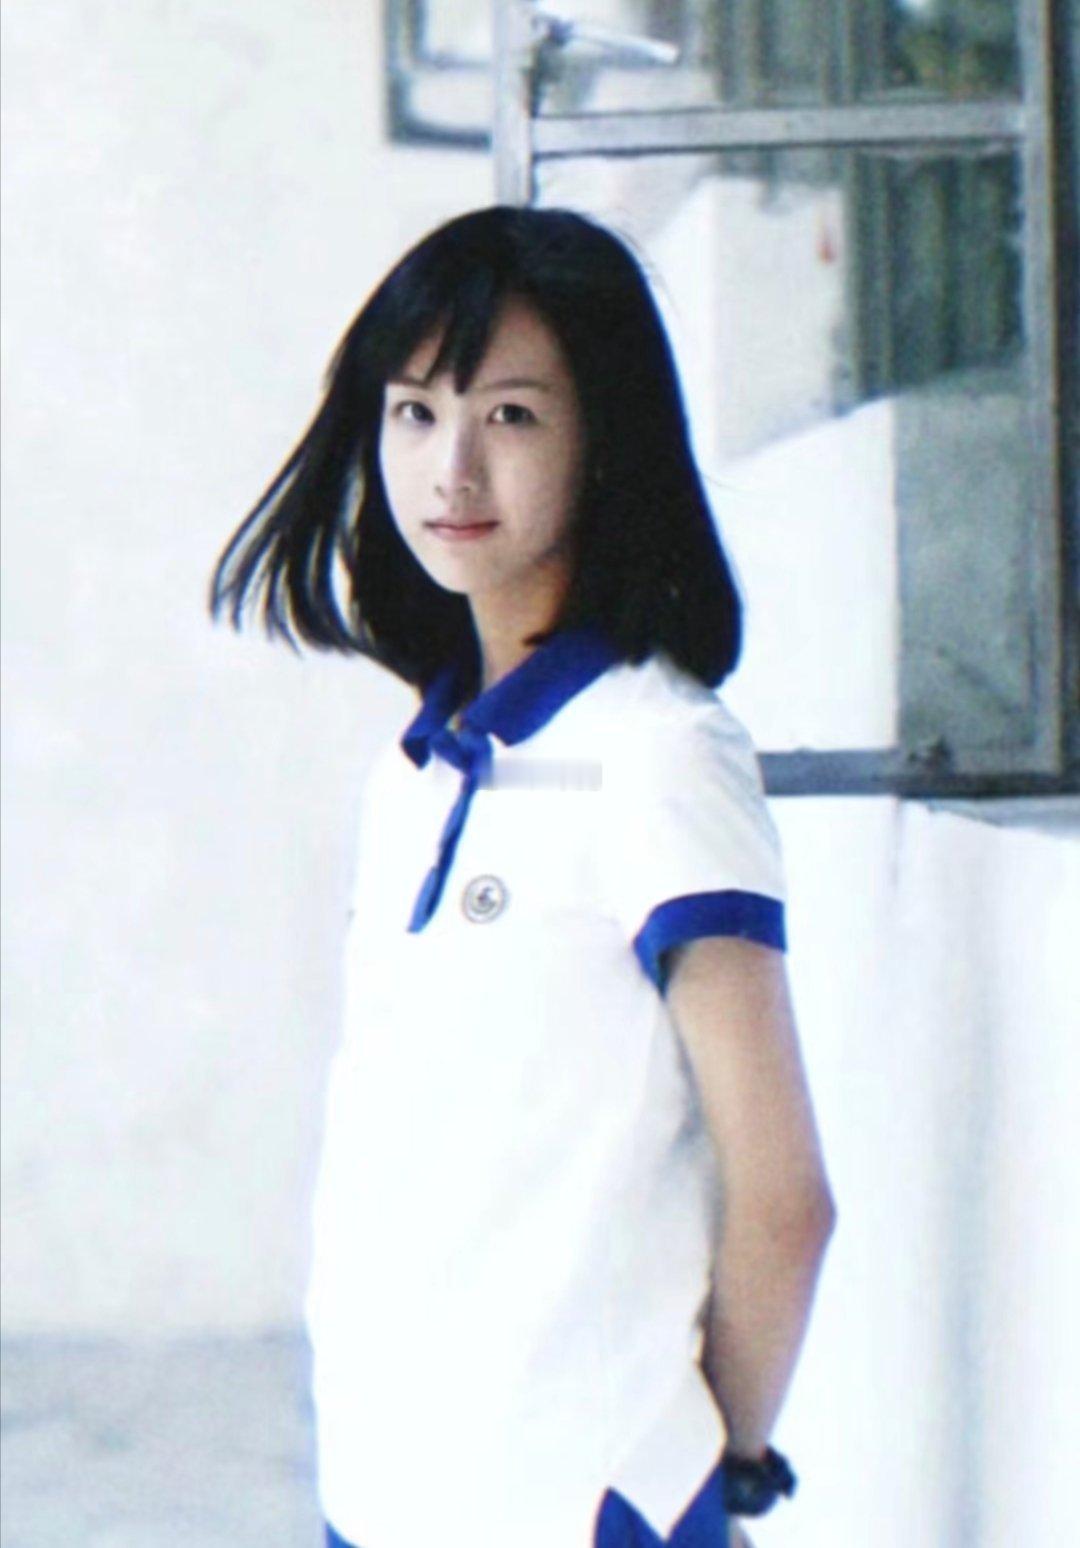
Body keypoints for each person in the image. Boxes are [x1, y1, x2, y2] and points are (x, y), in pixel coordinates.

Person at [209, 205, 837, 1548]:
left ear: (603, 439)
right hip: (383, 1495)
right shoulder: (419, 771)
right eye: (416, 413)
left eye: (511, 415)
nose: (454, 469)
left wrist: (707, 1468)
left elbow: (784, 1196)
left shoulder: (658, 752)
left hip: (571, 1509)